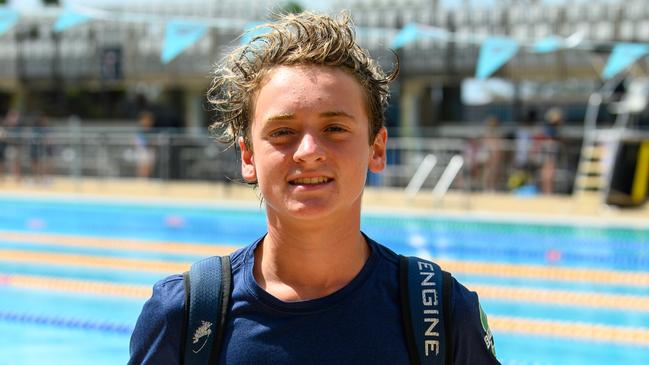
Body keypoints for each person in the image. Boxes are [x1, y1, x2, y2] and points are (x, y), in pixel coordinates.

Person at [129, 11, 500, 365]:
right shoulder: (185, 316)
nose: (308, 152)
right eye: (282, 133)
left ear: (377, 148)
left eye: (335, 129)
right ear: (248, 157)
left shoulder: (439, 313)